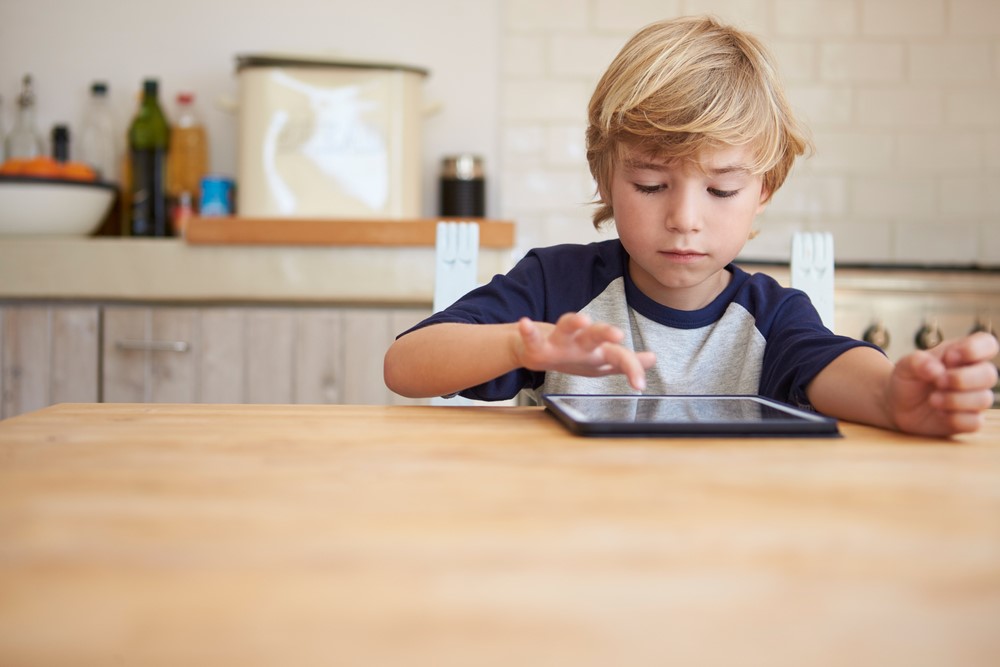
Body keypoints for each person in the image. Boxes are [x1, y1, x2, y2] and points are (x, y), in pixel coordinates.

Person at [384, 15, 998, 436]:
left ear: (764, 191)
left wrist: (897, 397)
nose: (683, 219)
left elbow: (842, 374)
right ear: (604, 179)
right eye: (650, 185)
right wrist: (523, 344)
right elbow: (405, 366)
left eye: (722, 189)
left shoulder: (773, 317)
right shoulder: (558, 285)